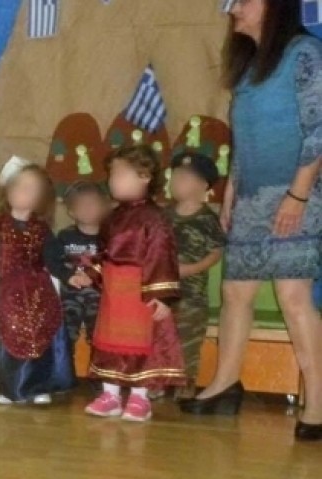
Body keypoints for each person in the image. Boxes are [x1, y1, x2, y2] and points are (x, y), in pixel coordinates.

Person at [179, 1, 322, 443]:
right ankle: (224, 385)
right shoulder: (247, 69)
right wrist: (231, 196)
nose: (234, 8)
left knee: (293, 295)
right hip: (251, 199)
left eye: (244, 0)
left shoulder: (304, 53)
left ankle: (318, 404)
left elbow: (318, 130)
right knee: (235, 292)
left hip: (296, 195)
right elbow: (244, 141)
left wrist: (298, 195)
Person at [83, 145, 186, 422]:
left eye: (120, 174)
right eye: (111, 175)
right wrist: (92, 272)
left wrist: (162, 296)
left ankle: (140, 398)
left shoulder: (155, 219)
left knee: (139, 343)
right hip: (114, 293)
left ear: (145, 176)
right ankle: (110, 396)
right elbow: (104, 252)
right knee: (110, 342)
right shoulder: (112, 217)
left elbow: (162, 255)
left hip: (139, 292)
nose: (112, 181)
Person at [0, 158, 79, 405]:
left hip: (39, 291)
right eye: (18, 186)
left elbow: (53, 260)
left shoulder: (42, 230)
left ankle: (40, 386)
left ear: (40, 198)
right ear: (7, 190)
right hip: (8, 293)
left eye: (30, 189)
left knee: (41, 337)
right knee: (9, 338)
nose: (22, 192)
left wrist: (69, 275)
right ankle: (12, 388)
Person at [165, 152, 225, 400]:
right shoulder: (163, 214)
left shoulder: (208, 219)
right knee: (159, 336)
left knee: (188, 340)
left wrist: (193, 268)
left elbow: (216, 251)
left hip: (191, 295)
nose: (177, 180)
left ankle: (185, 382)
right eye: (175, 175)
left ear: (203, 185)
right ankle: (158, 381)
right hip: (161, 292)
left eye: (185, 177)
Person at [58, 181, 108, 357]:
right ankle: (64, 368)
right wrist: (68, 275)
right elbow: (54, 263)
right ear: (71, 211)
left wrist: (93, 276)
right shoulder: (65, 236)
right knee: (65, 334)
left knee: (99, 336)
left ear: (103, 207)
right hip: (70, 295)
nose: (88, 208)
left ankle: (99, 370)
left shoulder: (109, 237)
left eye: (93, 203)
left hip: (99, 296)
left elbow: (114, 263)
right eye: (81, 205)